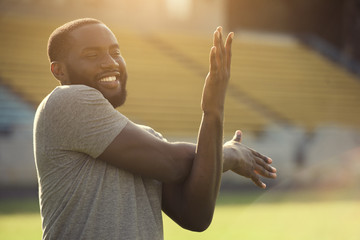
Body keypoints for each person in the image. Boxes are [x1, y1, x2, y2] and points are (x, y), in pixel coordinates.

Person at [33, 18, 277, 239]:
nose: (110, 62)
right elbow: (173, 163)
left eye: (115, 52)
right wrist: (230, 155)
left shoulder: (150, 139)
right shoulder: (65, 101)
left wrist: (213, 112)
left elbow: (195, 217)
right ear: (59, 70)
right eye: (92, 55)